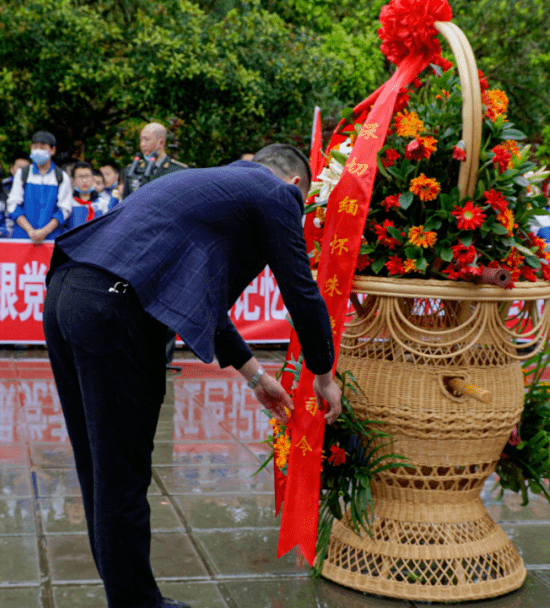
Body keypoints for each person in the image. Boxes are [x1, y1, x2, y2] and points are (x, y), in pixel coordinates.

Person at [42, 144, 341, 608]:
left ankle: (129, 598)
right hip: (113, 310)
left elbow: (205, 303)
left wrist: (255, 376)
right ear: (297, 185)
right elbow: (301, 290)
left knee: (99, 469)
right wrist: (324, 373)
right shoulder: (276, 193)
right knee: (122, 475)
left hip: (66, 293)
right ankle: (137, 604)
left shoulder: (206, 186)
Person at [7, 131, 73, 243]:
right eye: (35, 147)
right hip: (23, 236)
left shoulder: (61, 177)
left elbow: (64, 209)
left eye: (42, 147)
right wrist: (30, 231)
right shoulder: (23, 173)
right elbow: (13, 205)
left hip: (51, 238)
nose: (38, 150)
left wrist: (44, 231)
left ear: (52, 150)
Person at [120, 123, 188, 200]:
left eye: (147, 139)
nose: (142, 144)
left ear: (161, 143)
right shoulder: (132, 170)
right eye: (141, 139)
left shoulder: (178, 170)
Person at [64, 162, 105, 230]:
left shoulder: (102, 203)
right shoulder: (68, 202)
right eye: (80, 177)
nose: (84, 180)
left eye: (87, 176)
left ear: (93, 179)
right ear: (73, 180)